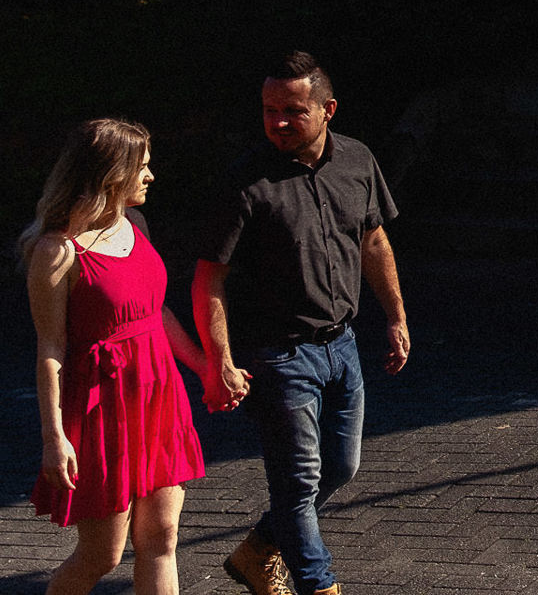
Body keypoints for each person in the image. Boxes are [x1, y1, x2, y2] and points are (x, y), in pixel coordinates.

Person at [194, 51, 409, 595]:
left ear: (327, 109)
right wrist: (218, 360)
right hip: (278, 355)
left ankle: (256, 551)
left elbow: (373, 240)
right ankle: (320, 586)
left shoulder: (358, 161)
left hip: (343, 345)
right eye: (269, 110)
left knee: (341, 467)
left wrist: (396, 316)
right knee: (297, 484)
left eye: (292, 110)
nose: (278, 122)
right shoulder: (245, 181)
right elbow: (208, 279)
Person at [23, 118, 209, 595]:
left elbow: (155, 311)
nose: (150, 177)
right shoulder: (56, 251)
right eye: (142, 167)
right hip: (103, 409)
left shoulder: (136, 224)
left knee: (162, 537)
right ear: (110, 173)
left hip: (158, 397)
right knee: (102, 554)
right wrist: (54, 438)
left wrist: (205, 366)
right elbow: (50, 348)